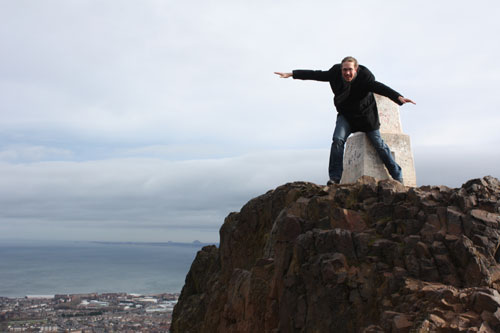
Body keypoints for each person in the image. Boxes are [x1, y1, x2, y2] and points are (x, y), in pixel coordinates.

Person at [275, 56, 415, 185]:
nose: (347, 73)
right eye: (344, 70)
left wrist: (398, 97)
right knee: (337, 140)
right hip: (346, 116)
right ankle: (335, 178)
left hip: (366, 117)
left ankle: (398, 176)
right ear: (341, 69)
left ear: (356, 69)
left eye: (350, 70)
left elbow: (380, 88)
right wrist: (293, 74)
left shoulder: (365, 78)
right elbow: (316, 74)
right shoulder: (335, 73)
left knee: (379, 145)